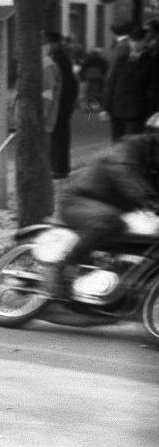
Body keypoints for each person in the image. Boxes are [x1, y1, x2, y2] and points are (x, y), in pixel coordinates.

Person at [52, 115, 159, 300]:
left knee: (145, 239)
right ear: (152, 135)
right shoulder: (129, 147)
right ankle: (64, 267)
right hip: (79, 199)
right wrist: (149, 201)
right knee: (110, 222)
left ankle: (120, 281)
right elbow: (125, 175)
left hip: (116, 208)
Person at [101, 27, 159, 141]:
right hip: (117, 108)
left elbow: (155, 89)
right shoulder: (121, 60)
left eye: (138, 41)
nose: (135, 44)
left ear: (144, 42)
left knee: (131, 145)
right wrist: (105, 108)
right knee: (117, 144)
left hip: (137, 111)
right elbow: (112, 84)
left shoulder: (152, 62)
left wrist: (153, 113)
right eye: (133, 41)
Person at [46, 32, 78, 179]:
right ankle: (59, 167)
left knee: (58, 136)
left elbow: (56, 85)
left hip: (59, 104)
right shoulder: (61, 58)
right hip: (63, 103)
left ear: (54, 44)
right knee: (59, 136)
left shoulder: (57, 60)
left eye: (48, 44)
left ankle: (59, 168)